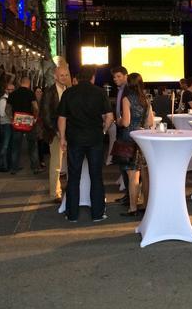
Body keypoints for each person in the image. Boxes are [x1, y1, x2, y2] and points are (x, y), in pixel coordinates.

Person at [57, 66, 114, 222]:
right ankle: (97, 214)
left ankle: (72, 214)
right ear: (92, 77)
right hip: (95, 139)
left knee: (73, 177)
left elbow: (62, 118)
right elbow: (109, 117)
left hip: (75, 139)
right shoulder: (100, 92)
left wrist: (62, 138)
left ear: (78, 77)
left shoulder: (68, 93)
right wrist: (103, 130)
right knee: (96, 176)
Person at [119, 73, 155, 217]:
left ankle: (133, 208)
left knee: (133, 175)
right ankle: (145, 205)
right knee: (145, 175)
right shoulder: (146, 99)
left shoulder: (127, 99)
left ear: (129, 84)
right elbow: (150, 122)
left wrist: (119, 120)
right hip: (144, 139)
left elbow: (126, 122)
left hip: (130, 138)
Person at [41, 65, 71, 201]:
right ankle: (55, 193)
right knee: (56, 164)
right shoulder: (49, 92)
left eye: (66, 75)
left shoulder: (68, 90)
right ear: (55, 76)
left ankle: (70, 189)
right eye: (61, 75)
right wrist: (57, 132)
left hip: (69, 132)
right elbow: (46, 115)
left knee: (69, 162)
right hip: (54, 134)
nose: (64, 77)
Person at [8, 77, 41, 175]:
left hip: (17, 120)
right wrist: (35, 118)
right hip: (28, 120)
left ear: (20, 82)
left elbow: (7, 108)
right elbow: (35, 107)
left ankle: (14, 168)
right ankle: (35, 167)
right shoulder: (30, 93)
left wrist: (11, 118)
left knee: (16, 145)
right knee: (32, 145)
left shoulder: (13, 94)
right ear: (28, 83)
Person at [111, 66, 130, 204]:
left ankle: (131, 196)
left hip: (126, 130)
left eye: (118, 76)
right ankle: (128, 195)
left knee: (127, 165)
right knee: (123, 164)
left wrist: (120, 121)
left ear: (125, 76)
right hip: (120, 128)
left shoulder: (129, 91)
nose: (115, 79)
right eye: (114, 77)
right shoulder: (120, 90)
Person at [0, 83, 15, 172]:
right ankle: (1, 165)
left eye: (12, 89)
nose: (10, 91)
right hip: (5, 124)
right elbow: (2, 113)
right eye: (9, 89)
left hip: (10, 124)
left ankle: (8, 165)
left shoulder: (11, 99)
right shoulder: (3, 100)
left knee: (10, 146)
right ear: (5, 90)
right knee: (4, 145)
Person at [34, 87, 48, 169]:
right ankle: (37, 161)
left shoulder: (44, 102)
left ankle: (41, 160)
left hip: (42, 125)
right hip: (34, 125)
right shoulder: (33, 102)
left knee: (41, 143)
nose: (39, 93)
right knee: (35, 143)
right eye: (37, 91)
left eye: (40, 91)